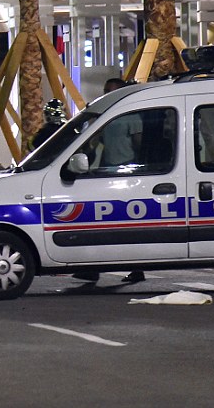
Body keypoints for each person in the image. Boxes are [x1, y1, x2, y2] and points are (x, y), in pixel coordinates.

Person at [74, 77, 145, 285]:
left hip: (125, 170)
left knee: (123, 222)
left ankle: (135, 268)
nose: (106, 94)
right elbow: (95, 141)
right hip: (106, 169)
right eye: (106, 90)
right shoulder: (106, 115)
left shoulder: (131, 115)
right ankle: (94, 268)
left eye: (111, 91)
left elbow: (138, 143)